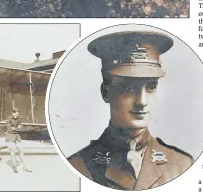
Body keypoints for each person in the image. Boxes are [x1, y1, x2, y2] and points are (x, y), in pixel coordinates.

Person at [68, 30, 193, 188]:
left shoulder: (181, 165)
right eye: (128, 88)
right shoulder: (78, 167)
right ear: (106, 92)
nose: (141, 101)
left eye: (151, 87)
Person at [5, 108, 32, 174]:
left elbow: (22, 129)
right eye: (16, 113)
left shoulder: (19, 119)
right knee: (12, 151)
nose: (17, 114)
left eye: (17, 113)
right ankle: (14, 167)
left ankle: (25, 167)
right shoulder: (9, 120)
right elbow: (9, 130)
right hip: (10, 136)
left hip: (17, 136)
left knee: (21, 151)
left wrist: (14, 128)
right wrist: (17, 128)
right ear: (13, 113)